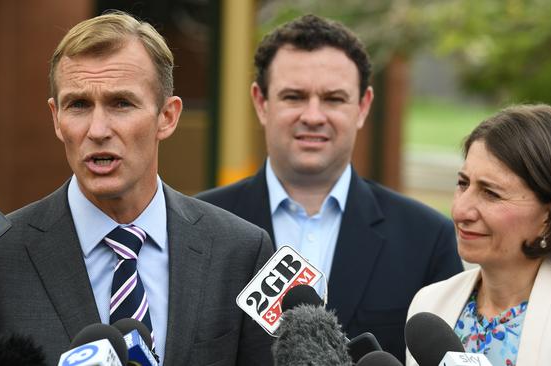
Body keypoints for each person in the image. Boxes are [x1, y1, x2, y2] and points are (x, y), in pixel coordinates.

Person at [0, 11, 275, 366]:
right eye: (79, 105)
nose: (98, 129)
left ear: (168, 116)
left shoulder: (240, 251)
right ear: (56, 118)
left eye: (121, 103)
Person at [196, 14, 463, 362]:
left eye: (333, 99)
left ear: (363, 106)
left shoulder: (428, 239)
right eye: (294, 96)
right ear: (261, 103)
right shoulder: (198, 230)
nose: (313, 116)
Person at [405, 104, 551, 366]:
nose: (461, 210)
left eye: (491, 193)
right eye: (463, 184)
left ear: (550, 214)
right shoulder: (430, 304)